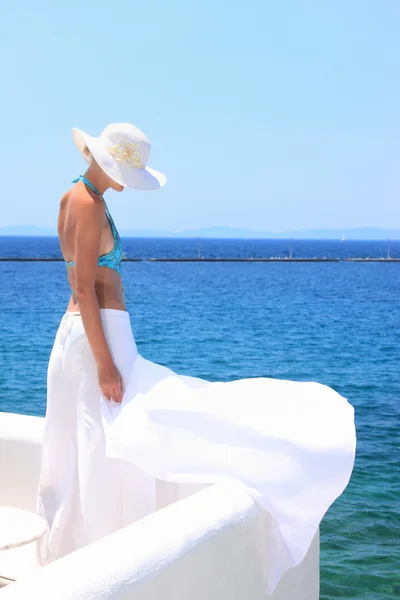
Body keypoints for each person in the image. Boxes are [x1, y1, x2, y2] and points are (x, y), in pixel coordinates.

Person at [36, 122, 356, 593]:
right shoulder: (88, 203)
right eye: (126, 171)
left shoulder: (72, 198)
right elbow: (83, 288)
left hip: (83, 336)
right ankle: (98, 555)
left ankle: (77, 549)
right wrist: (105, 363)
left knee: (98, 438)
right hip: (97, 335)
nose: (127, 181)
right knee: (108, 440)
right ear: (108, 163)